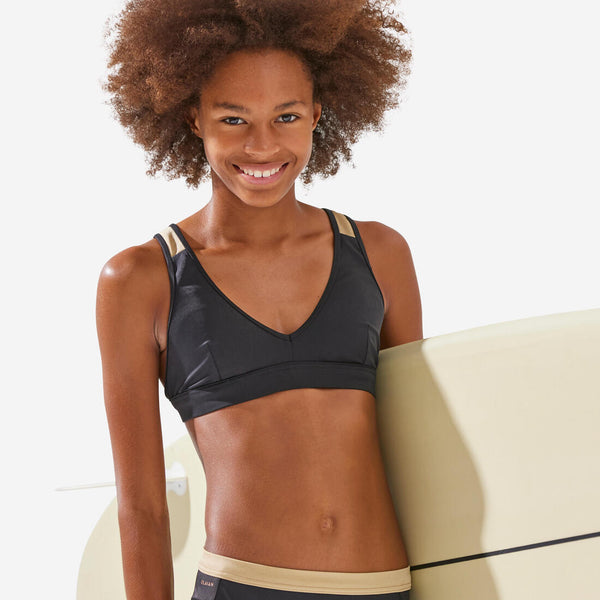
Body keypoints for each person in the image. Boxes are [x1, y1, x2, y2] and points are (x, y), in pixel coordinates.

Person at [96, 1, 422, 599]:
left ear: (317, 114)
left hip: (386, 586)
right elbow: (142, 505)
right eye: (234, 119)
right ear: (194, 118)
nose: (263, 146)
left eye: (287, 116)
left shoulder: (379, 253)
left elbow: (421, 452)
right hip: (243, 586)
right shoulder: (142, 279)